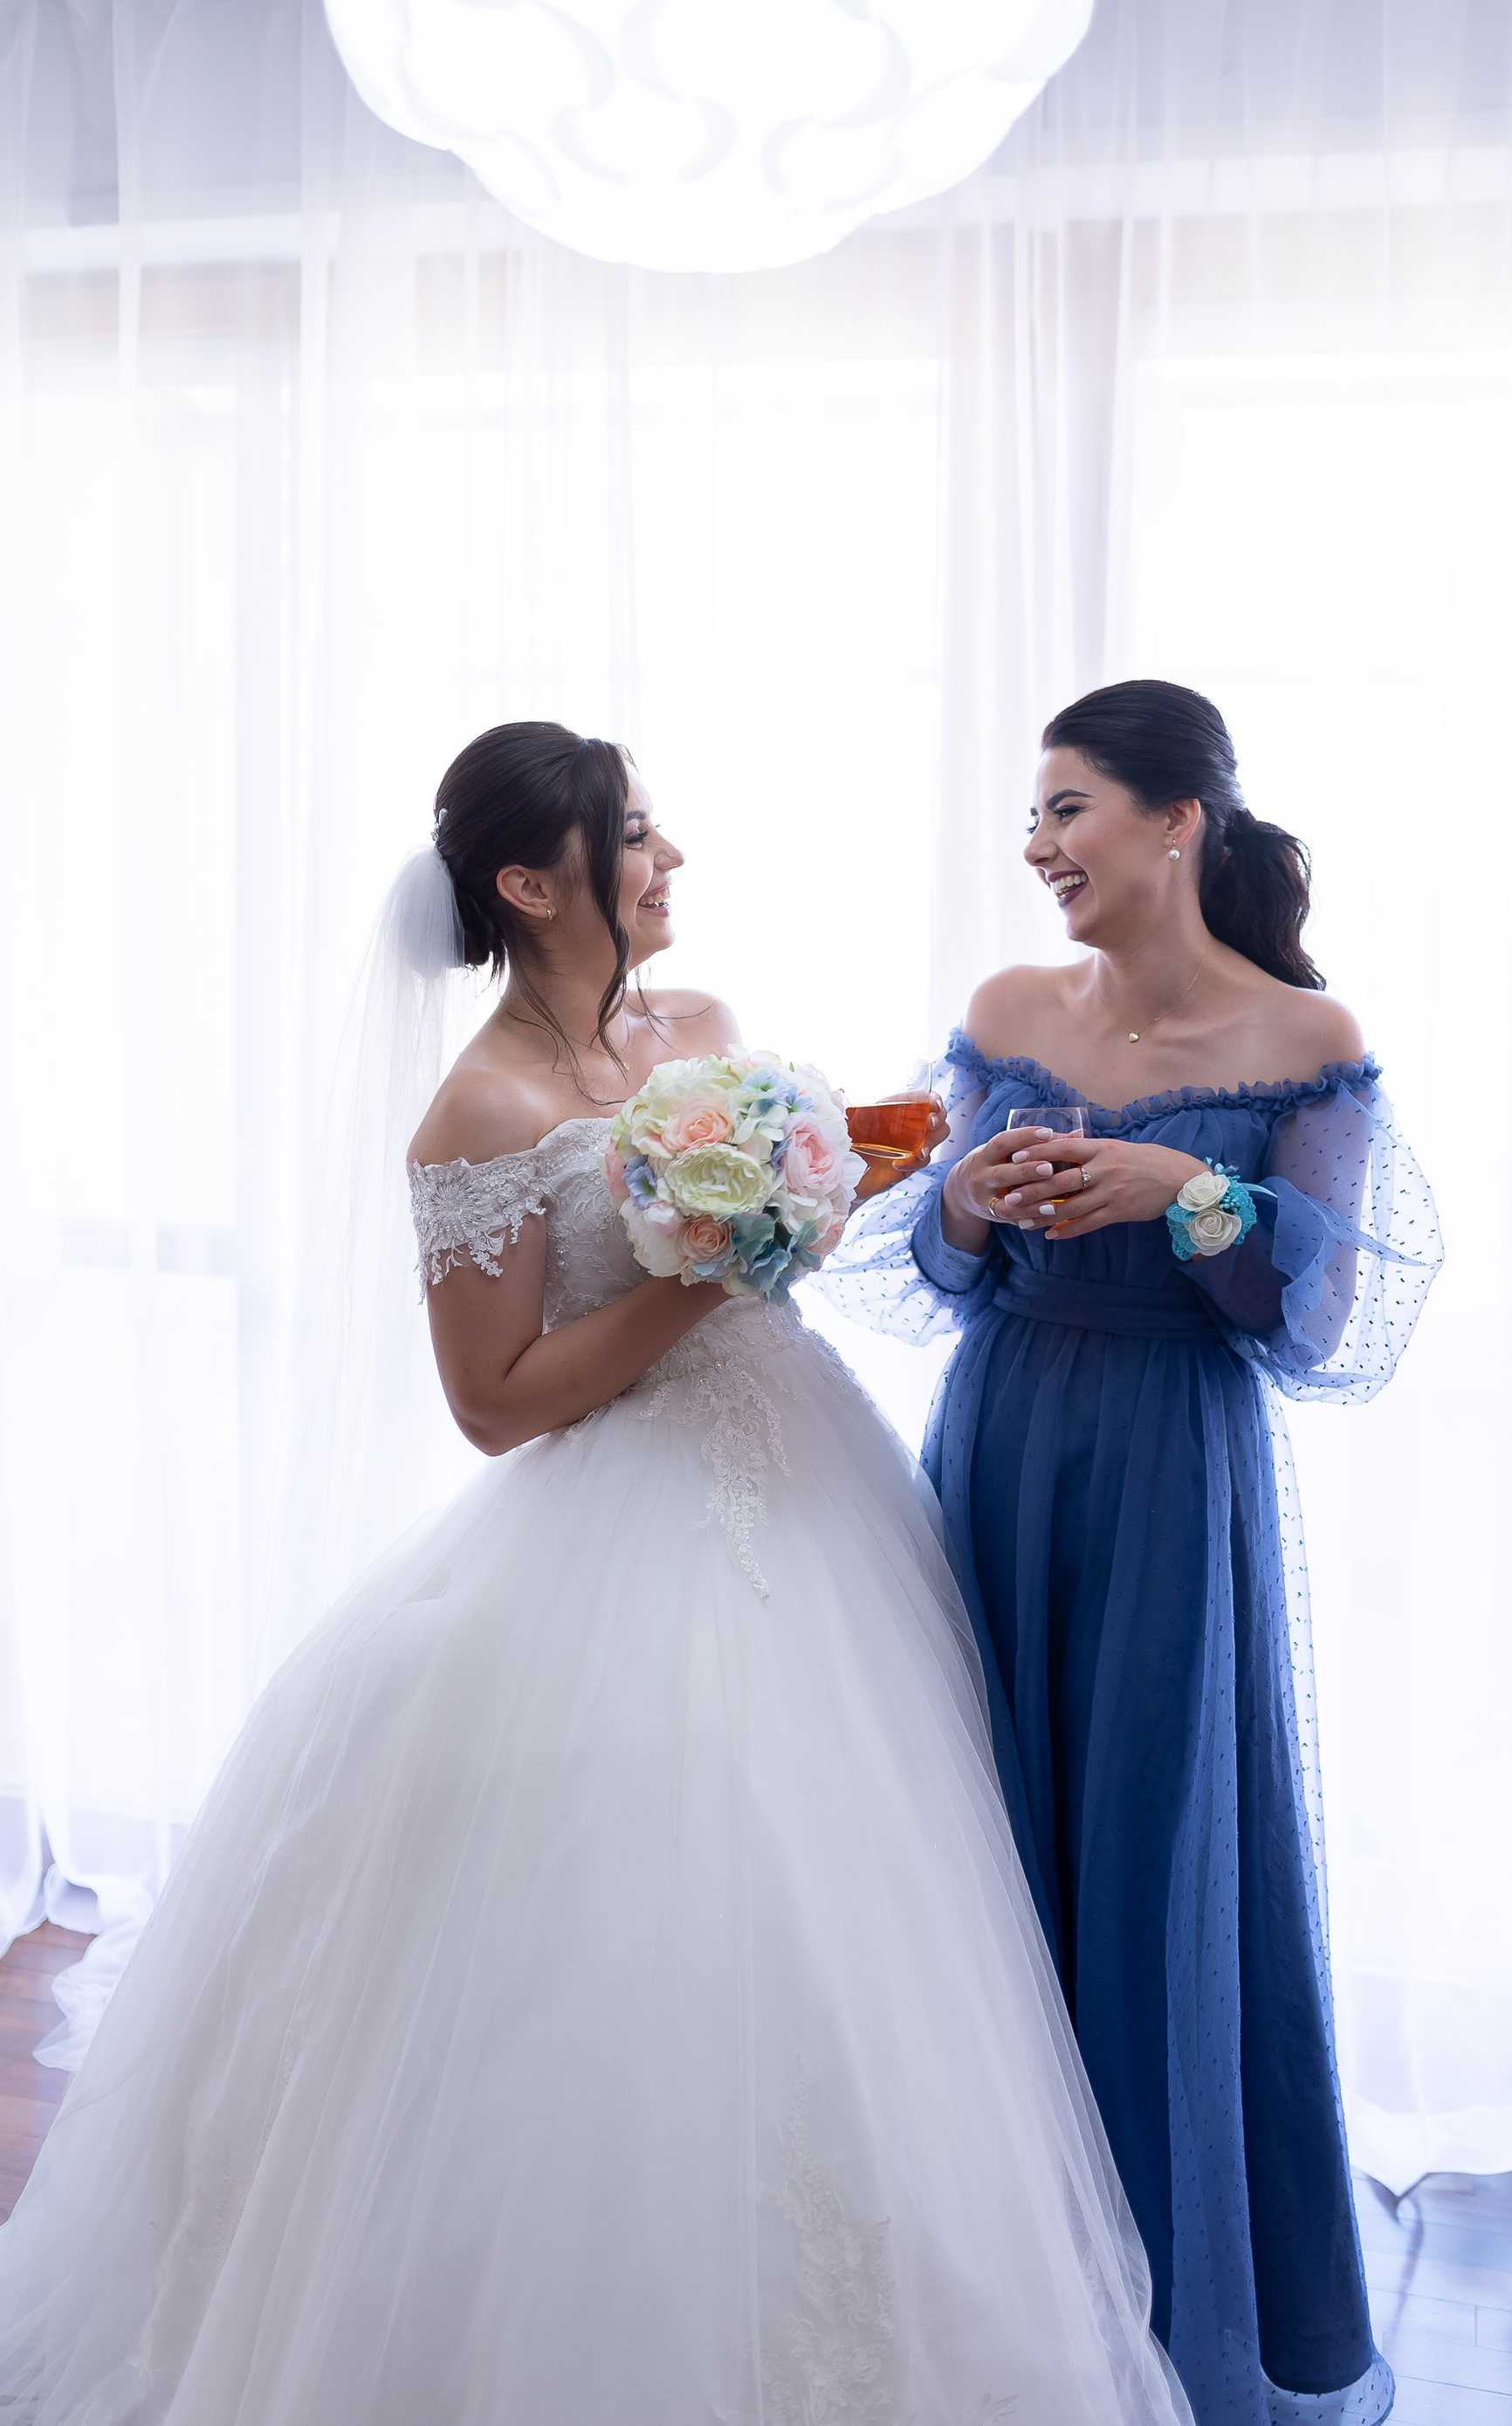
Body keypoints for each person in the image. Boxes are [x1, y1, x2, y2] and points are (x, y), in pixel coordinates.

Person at [0, 720, 1190, 2426]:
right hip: (619, 1515)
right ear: (529, 880)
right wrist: (712, 1273)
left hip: (812, 1492)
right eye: (633, 834)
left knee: (865, 1919)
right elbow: (496, 1405)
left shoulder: (697, 1030)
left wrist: (862, 1182)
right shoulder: (474, 1114)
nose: (669, 857)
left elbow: (785, 1229)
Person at [824, 681, 1442, 2426]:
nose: (1038, 845)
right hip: (1001, 1449)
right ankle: (977, 2299)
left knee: (1161, 1855)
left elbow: (1321, 1320)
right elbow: (934, 1265)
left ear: (1180, 821)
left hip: (1178, 1474)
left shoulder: (1306, 1035)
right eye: (1032, 814)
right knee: (973, 1844)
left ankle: (1163, 2312)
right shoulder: (1008, 1011)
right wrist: (969, 1198)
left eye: (1068, 807)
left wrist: (1188, 1196)